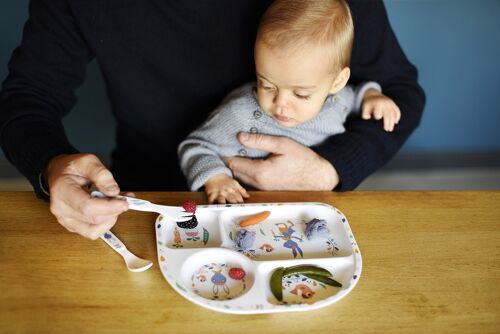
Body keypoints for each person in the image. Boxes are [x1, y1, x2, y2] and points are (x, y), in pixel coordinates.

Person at [0, 0, 425, 239]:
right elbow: (26, 97)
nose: (281, 102)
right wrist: (51, 167)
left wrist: (333, 168)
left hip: (306, 212)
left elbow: (398, 89)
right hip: (148, 200)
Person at [179, 0, 401, 204]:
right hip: (245, 206)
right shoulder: (240, 113)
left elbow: (356, 96)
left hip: (311, 205)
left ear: (337, 82)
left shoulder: (337, 100)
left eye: (301, 94)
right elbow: (195, 147)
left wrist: (372, 96)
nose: (280, 103)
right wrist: (216, 177)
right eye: (267, 85)